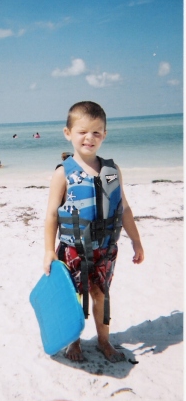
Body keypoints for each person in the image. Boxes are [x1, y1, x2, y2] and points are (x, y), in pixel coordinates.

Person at [43, 101, 144, 363]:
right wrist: (47, 252)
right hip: (73, 248)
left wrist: (137, 241)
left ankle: (103, 341)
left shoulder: (112, 171)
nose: (90, 138)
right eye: (82, 132)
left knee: (101, 295)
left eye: (97, 133)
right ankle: (74, 341)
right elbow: (52, 214)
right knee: (74, 296)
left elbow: (125, 209)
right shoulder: (62, 174)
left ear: (104, 135)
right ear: (68, 133)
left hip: (105, 248)